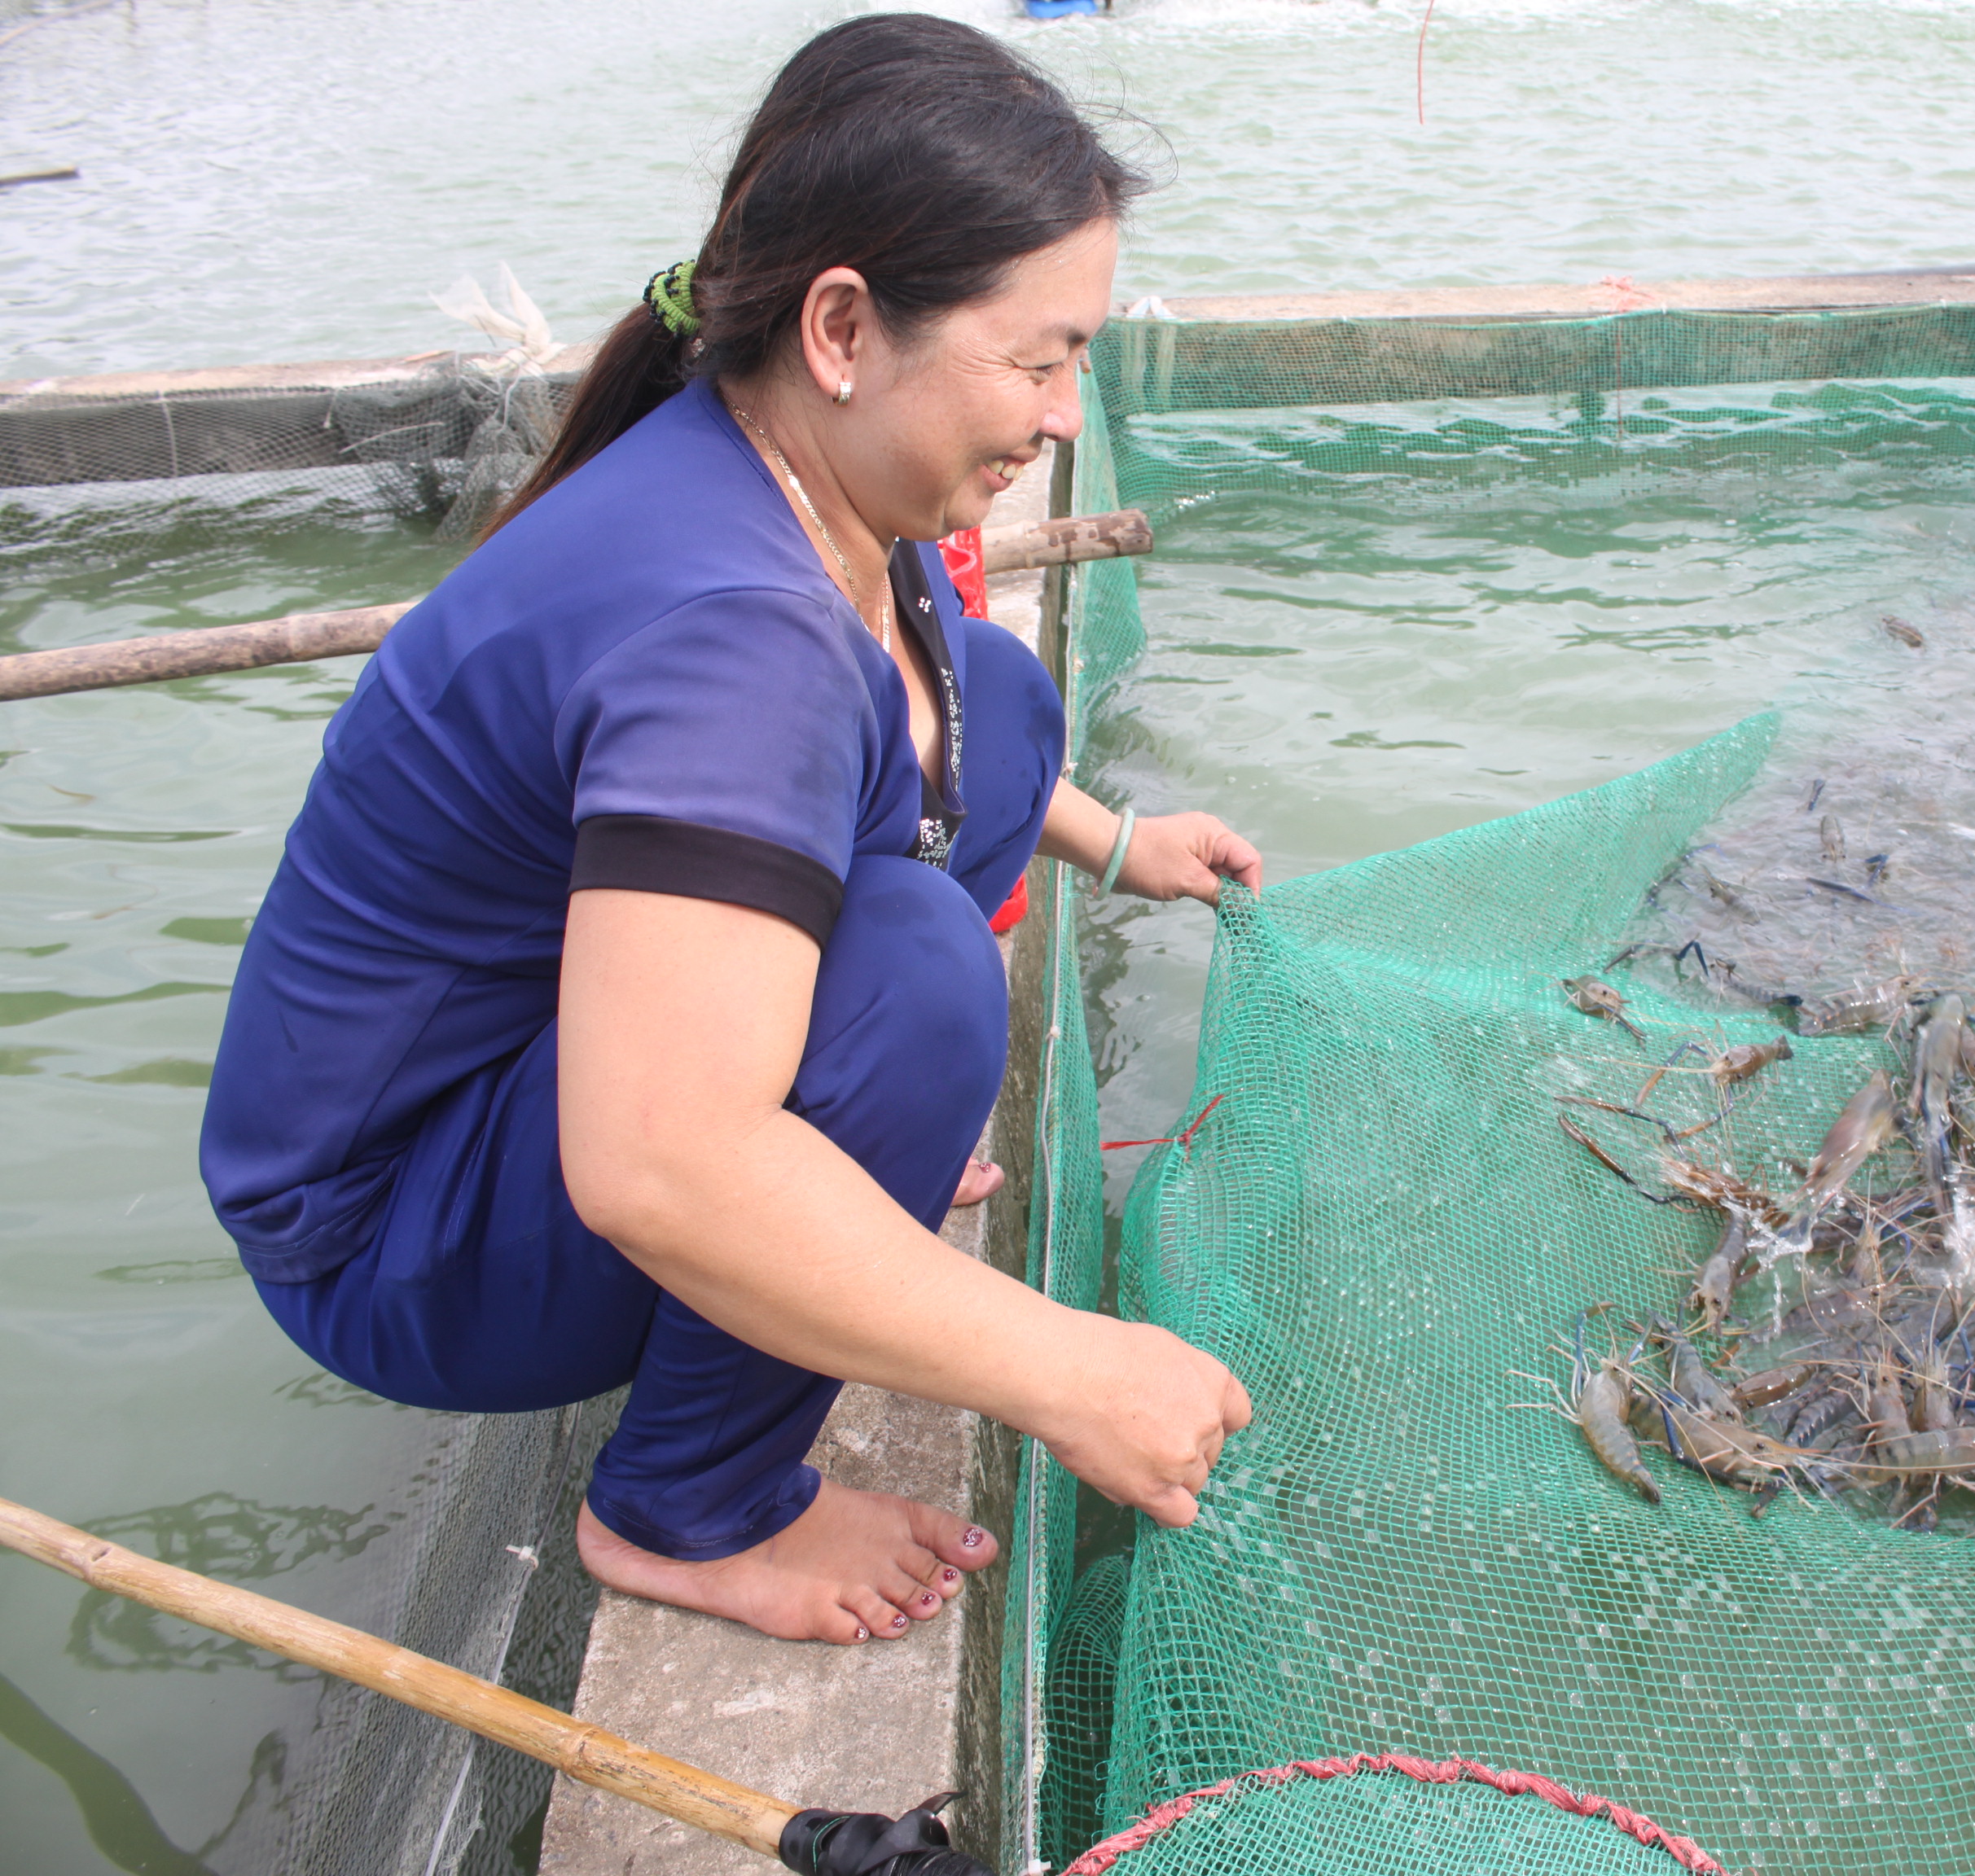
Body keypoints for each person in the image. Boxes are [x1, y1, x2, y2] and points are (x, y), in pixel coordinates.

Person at [199, 14, 1255, 1646]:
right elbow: (658, 1160)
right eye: (1037, 357)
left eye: (1078, 361)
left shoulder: (797, 473)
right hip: (388, 1243)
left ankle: (852, 1158)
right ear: (843, 327)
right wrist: (1067, 1366)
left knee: (992, 692)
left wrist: (1119, 843)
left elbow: (930, 729)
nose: (1062, 415)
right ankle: (688, 1508)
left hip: (516, 1096)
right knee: (913, 980)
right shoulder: (729, 627)